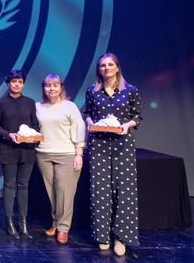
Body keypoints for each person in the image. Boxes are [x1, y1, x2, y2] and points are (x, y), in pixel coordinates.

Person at [84, 52, 142, 256]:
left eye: (110, 65)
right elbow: (88, 113)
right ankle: (102, 235)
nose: (106, 68)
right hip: (99, 144)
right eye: (102, 65)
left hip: (122, 144)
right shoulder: (93, 91)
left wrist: (127, 125)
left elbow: (137, 116)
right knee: (100, 190)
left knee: (124, 191)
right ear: (98, 69)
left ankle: (122, 238)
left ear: (117, 67)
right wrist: (90, 123)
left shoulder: (130, 91)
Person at [35, 74, 85, 245]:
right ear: (43, 88)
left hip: (67, 153)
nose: (51, 88)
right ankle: (55, 223)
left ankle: (63, 228)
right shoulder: (38, 107)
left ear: (61, 87)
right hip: (43, 153)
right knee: (52, 192)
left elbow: (79, 130)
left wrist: (79, 154)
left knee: (65, 192)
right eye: (48, 85)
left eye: (55, 85)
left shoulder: (69, 107)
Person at [0, 69, 38, 239]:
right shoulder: (1, 103)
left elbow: (35, 124)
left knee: (24, 185)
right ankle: (9, 222)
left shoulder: (30, 102)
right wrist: (9, 135)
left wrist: (34, 136)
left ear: (23, 84)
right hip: (8, 149)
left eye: (19, 82)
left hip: (27, 150)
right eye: (13, 81)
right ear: (8, 83)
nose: (16, 84)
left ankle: (23, 224)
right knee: (10, 185)